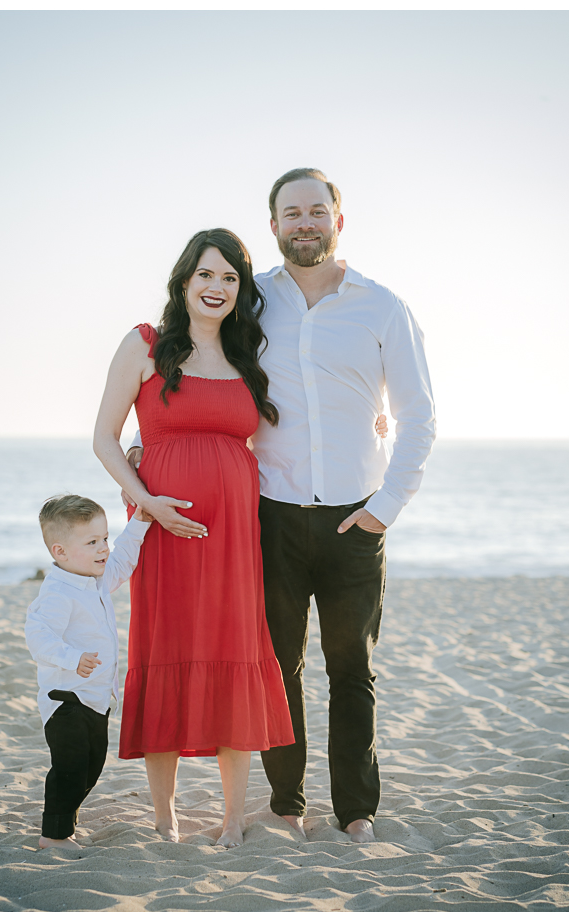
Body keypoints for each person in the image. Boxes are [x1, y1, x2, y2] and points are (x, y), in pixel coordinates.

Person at [128, 168, 435, 844]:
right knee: (277, 664)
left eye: (316, 211)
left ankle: (356, 812)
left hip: (358, 515)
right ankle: (287, 805)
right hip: (268, 513)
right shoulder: (248, 299)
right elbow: (192, 363)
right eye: (291, 212)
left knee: (352, 667)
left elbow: (418, 416)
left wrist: (386, 506)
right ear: (272, 225)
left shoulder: (382, 307)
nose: (304, 222)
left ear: (338, 221)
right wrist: (142, 447)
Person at [92, 229, 295, 848]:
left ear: (241, 290)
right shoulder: (146, 346)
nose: (217, 287)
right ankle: (165, 819)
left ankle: (233, 820)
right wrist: (145, 499)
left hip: (235, 537)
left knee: (235, 651)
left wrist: (376, 418)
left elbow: (293, 427)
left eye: (231, 278)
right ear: (184, 281)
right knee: (165, 650)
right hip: (162, 532)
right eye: (206, 275)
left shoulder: (248, 356)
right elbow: (105, 437)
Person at [25, 495, 152, 849]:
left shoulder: (94, 578)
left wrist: (139, 523)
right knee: (70, 765)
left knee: (92, 766)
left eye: (105, 538)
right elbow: (38, 636)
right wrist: (71, 658)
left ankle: (66, 819)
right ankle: (55, 836)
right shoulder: (57, 592)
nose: (104, 548)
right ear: (60, 551)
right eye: (92, 542)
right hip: (64, 699)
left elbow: (124, 561)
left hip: (96, 698)